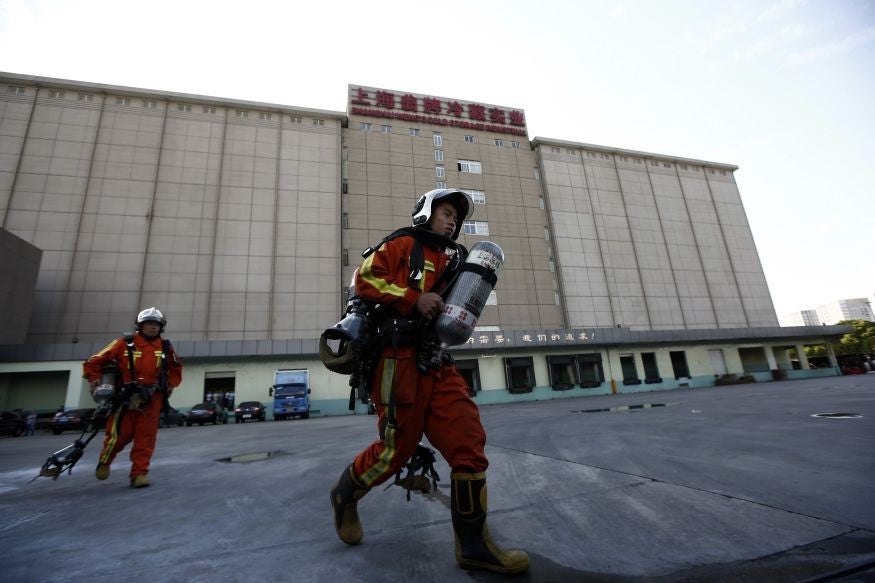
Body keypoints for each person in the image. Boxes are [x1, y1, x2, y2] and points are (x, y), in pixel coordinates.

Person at [329, 189, 529, 574]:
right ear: (426, 212)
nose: (453, 221)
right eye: (447, 212)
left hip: (437, 361)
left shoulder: (454, 260)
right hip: (396, 360)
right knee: (395, 450)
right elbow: (365, 279)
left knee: (468, 441)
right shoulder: (403, 242)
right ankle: (344, 494)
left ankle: (473, 545)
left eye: (457, 217)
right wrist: (410, 297)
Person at [82, 307, 182, 488]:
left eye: (156, 324)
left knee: (146, 438)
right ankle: (105, 460)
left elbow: (175, 368)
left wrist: (170, 385)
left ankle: (139, 474)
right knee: (119, 436)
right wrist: (94, 378)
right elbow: (94, 361)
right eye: (148, 324)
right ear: (140, 326)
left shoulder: (166, 347)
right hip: (126, 398)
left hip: (152, 399)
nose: (152, 328)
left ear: (161, 327)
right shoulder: (124, 343)